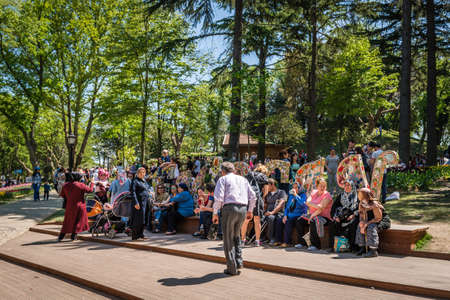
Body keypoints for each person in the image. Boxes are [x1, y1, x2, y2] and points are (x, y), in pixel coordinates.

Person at [213, 162, 256, 276]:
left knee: (228, 238)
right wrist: (250, 210)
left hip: (229, 208)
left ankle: (232, 268)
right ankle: (239, 262)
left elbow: (219, 197)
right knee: (237, 236)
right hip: (242, 208)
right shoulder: (243, 180)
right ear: (233, 170)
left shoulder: (222, 179)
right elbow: (253, 196)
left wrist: (215, 213)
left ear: (223, 171)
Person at [295, 178, 333, 251]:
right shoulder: (314, 192)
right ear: (317, 186)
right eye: (320, 186)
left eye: (324, 186)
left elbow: (321, 208)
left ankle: (316, 245)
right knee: (299, 220)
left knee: (313, 220)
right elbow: (307, 201)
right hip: (313, 215)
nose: (322, 188)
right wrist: (315, 206)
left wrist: (312, 213)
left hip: (324, 217)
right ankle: (302, 243)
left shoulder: (327, 195)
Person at [58, 172, 94, 241]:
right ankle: (73, 236)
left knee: (67, 221)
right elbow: (90, 190)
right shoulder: (81, 185)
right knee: (79, 221)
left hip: (69, 206)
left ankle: (61, 236)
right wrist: (92, 183)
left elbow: (62, 195)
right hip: (80, 206)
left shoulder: (65, 185)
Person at [355, 188, 388, 257]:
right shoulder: (361, 203)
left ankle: (373, 250)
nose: (358, 195)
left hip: (380, 220)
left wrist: (366, 224)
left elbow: (378, 218)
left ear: (365, 195)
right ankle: (362, 247)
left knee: (371, 227)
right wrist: (362, 222)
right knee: (359, 226)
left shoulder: (374, 204)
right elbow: (361, 214)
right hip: (368, 220)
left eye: (360, 194)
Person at [241, 165, 269, 247]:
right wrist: (263, 199)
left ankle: (242, 240)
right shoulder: (263, 177)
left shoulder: (248, 175)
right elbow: (266, 192)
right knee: (257, 220)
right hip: (257, 198)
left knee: (246, 220)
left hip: (247, 199)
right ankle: (257, 241)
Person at [328, 179, 359, 252]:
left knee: (353, 224)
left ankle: (353, 247)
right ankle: (333, 247)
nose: (347, 187)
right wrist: (335, 217)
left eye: (349, 185)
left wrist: (354, 215)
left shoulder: (357, 196)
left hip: (353, 216)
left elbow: (360, 208)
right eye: (345, 185)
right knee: (333, 224)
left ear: (352, 186)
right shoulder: (341, 195)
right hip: (341, 216)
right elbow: (334, 207)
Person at [280, 182, 307, 247]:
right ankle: (287, 242)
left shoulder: (303, 195)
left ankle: (300, 243)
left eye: (296, 187)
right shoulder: (291, 196)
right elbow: (287, 207)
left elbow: (303, 204)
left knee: (298, 222)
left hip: (299, 215)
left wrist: (296, 195)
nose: (294, 189)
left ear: (300, 188)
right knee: (286, 221)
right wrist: (285, 215)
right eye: (293, 187)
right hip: (291, 215)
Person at [264, 178, 287, 246]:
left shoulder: (281, 192)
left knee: (275, 218)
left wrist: (272, 212)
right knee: (260, 217)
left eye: (267, 185)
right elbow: (265, 204)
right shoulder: (267, 194)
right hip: (268, 212)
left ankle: (273, 239)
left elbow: (280, 204)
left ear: (272, 185)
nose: (266, 187)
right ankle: (262, 237)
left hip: (278, 212)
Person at [130, 167, 150, 241]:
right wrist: (136, 202)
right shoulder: (135, 181)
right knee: (138, 219)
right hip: (138, 203)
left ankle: (141, 234)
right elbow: (133, 192)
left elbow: (146, 189)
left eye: (143, 172)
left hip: (145, 202)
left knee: (143, 219)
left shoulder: (144, 181)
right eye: (141, 172)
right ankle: (135, 236)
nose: (142, 174)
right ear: (137, 173)